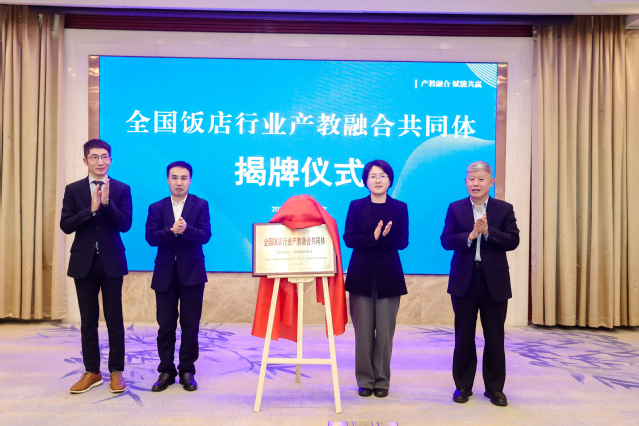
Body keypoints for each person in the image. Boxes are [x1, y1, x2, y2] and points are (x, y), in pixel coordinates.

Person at [440, 161, 519, 407]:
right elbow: (446, 240)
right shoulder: (455, 208)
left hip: (494, 280)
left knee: (495, 335)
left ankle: (494, 388)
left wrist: (487, 232)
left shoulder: (504, 209)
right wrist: (470, 236)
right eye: (471, 179)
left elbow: (513, 241)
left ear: (491, 182)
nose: (475, 184)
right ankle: (463, 386)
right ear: (466, 182)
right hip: (465, 279)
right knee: (463, 335)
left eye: (481, 179)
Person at [60, 139, 132, 394]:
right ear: (85, 160)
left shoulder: (122, 189)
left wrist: (107, 204)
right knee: (88, 320)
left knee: (114, 319)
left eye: (104, 157)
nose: (100, 161)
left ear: (110, 159)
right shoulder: (74, 189)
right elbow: (66, 225)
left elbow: (125, 225)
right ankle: (92, 371)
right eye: (94, 157)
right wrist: (89, 211)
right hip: (84, 263)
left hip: (112, 261)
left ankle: (116, 371)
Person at [343, 159, 409, 398]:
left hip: (388, 276)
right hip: (361, 275)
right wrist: (373, 236)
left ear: (390, 180)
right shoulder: (356, 206)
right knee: (362, 333)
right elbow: (349, 238)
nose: (377, 180)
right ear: (365, 181)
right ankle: (365, 380)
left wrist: (387, 236)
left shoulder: (399, 207)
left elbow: (403, 242)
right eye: (372, 176)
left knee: (384, 333)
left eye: (382, 176)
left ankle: (382, 380)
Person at [145, 161, 211, 392]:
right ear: (167, 180)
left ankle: (187, 370)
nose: (179, 182)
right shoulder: (156, 207)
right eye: (174, 177)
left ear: (190, 180)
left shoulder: (200, 205)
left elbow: (205, 235)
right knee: (165, 326)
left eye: (184, 178)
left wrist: (187, 230)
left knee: (190, 326)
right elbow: (150, 238)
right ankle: (166, 370)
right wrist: (171, 231)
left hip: (192, 273)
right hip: (165, 274)